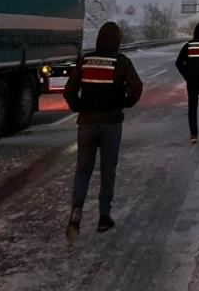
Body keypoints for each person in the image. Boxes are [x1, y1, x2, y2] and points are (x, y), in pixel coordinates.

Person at [63, 21, 143, 242]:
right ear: (117, 40)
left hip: (86, 123)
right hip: (111, 124)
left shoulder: (85, 61)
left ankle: (76, 212)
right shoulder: (121, 62)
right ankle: (104, 217)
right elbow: (137, 88)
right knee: (108, 171)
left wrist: (78, 106)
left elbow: (69, 91)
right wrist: (124, 103)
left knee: (83, 169)